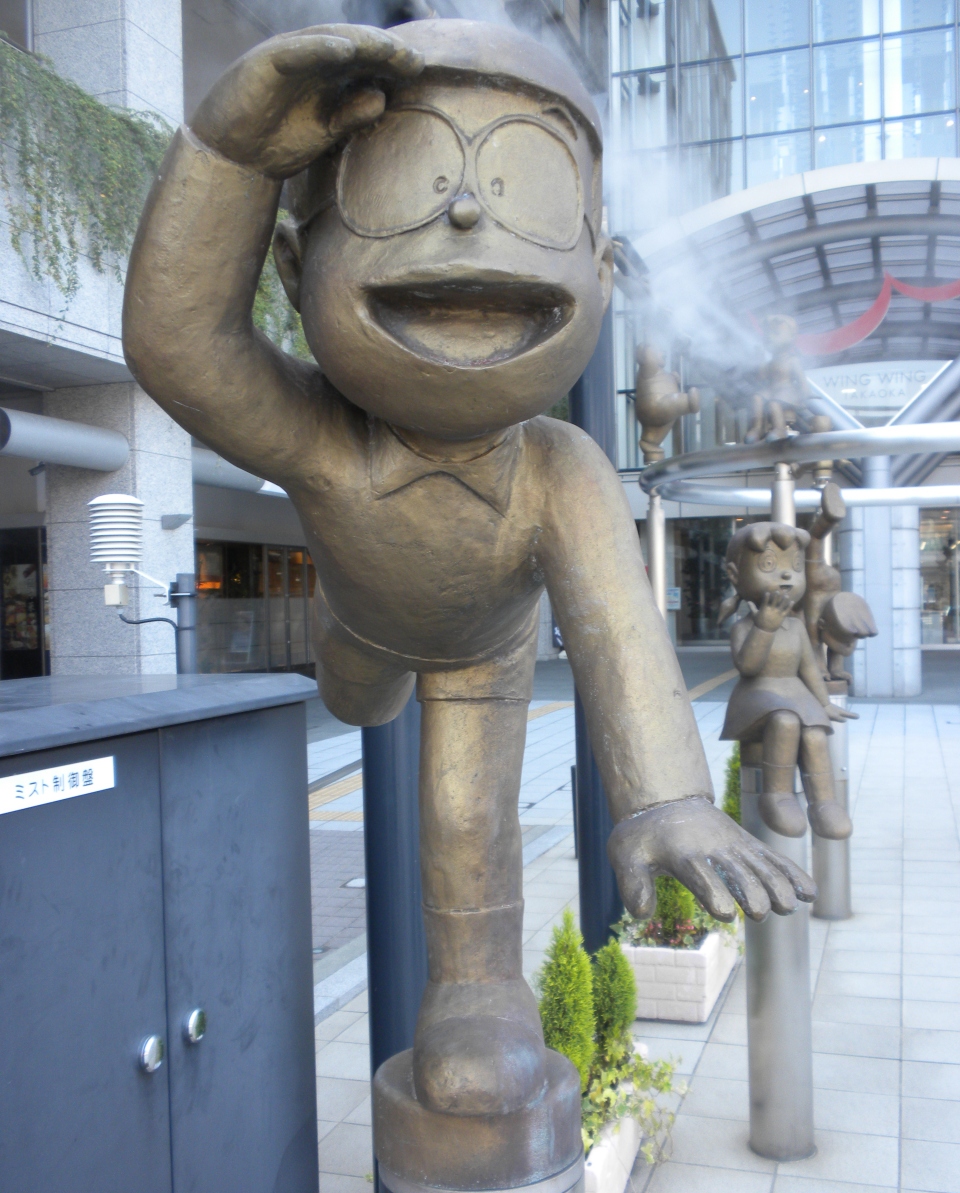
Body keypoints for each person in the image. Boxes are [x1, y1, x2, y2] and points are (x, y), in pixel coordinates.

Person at [124, 19, 815, 1118]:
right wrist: (230, 152)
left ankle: (478, 987)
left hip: (483, 655)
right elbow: (180, 345)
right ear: (296, 267)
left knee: (464, 817)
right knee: (358, 692)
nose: (462, 215)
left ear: (598, 276)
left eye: (522, 189)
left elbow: (620, 624)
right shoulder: (318, 428)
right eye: (411, 184)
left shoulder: (561, 466)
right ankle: (360, 666)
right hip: (355, 630)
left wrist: (668, 800)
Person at [720, 521, 856, 840]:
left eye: (795, 566)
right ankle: (777, 795)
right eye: (769, 564)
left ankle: (824, 802)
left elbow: (809, 668)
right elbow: (749, 667)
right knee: (785, 721)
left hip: (794, 693)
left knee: (815, 733)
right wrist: (765, 627)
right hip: (758, 697)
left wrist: (824, 704)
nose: (786, 575)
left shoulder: (795, 628)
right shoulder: (743, 627)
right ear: (735, 575)